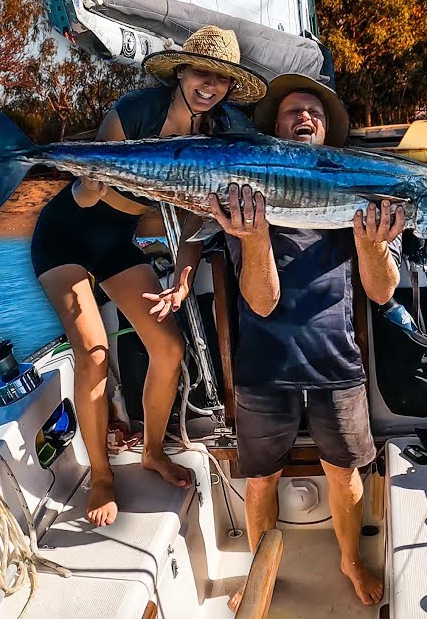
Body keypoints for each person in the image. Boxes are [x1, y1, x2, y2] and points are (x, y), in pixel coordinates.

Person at [32, 26, 267, 526]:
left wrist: (183, 278)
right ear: (180, 71)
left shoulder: (210, 139)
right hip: (65, 236)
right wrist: (89, 184)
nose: (210, 85)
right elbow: (86, 196)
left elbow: (192, 221)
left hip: (116, 243)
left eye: (222, 80)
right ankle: (100, 476)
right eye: (201, 72)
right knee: (93, 352)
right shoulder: (135, 111)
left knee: (169, 347)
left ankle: (153, 452)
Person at [210, 74, 401, 607]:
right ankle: (259, 573)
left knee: (345, 474)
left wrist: (374, 246)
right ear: (275, 128)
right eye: (294, 111)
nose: (305, 118)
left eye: (314, 113)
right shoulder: (247, 197)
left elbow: (381, 294)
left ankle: (350, 559)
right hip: (264, 367)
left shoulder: (351, 193)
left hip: (335, 363)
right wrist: (255, 236)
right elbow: (263, 302)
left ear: (325, 132)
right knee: (260, 482)